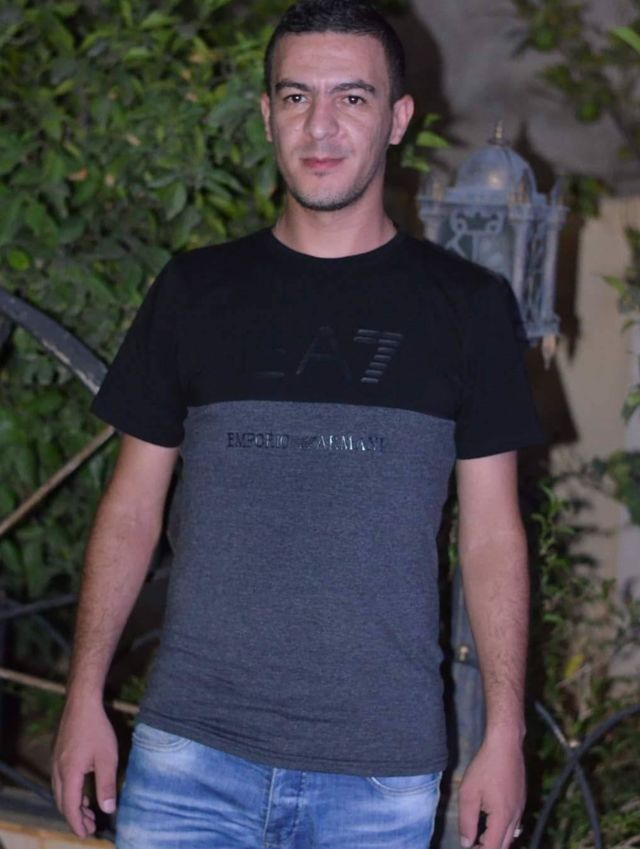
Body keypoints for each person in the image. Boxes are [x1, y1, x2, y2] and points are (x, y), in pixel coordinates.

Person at [52, 1, 543, 847]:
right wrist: (82, 695)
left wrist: (505, 734)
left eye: (352, 97)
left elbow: (494, 536)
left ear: (397, 119)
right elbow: (130, 509)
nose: (320, 126)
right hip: (187, 762)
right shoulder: (195, 290)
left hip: (378, 781)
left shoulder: (468, 308)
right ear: (266, 114)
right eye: (295, 96)